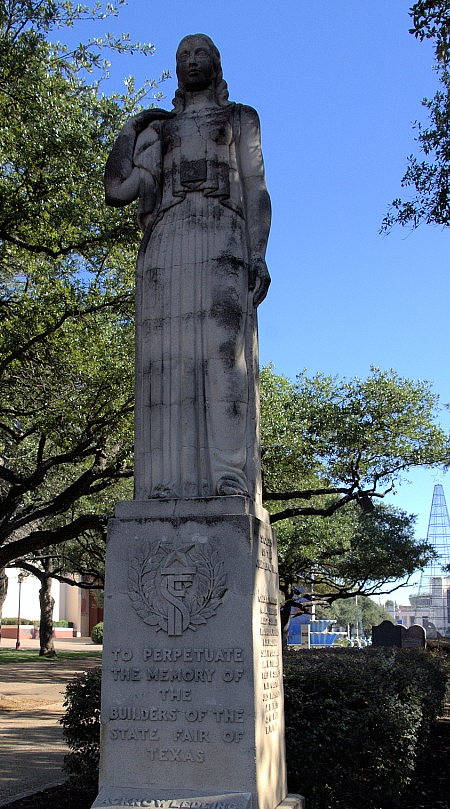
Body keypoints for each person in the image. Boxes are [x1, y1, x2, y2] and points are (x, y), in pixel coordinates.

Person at [105, 33, 271, 502]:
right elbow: (118, 189)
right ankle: (162, 481)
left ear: (216, 64)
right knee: (167, 361)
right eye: (182, 56)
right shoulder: (160, 130)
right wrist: (131, 127)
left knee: (225, 358)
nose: (191, 61)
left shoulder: (241, 117)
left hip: (223, 235)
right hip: (168, 243)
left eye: (201, 54)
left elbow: (257, 188)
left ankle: (229, 476)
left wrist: (258, 253)